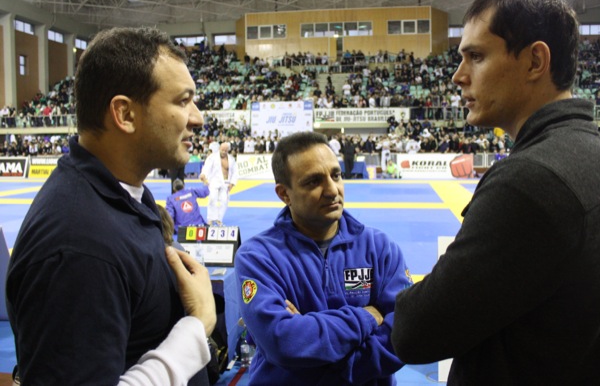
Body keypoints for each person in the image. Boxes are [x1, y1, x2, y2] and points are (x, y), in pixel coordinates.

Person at [391, 0, 600, 384]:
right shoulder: (597, 156)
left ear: (535, 60)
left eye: (477, 56)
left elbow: (414, 333)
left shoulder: (530, 181)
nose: (458, 76)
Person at [6, 27, 216, 385]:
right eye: (183, 101)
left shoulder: (121, 194)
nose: (197, 117)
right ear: (125, 114)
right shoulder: (78, 245)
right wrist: (196, 327)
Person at [234, 131, 412, 385]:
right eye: (313, 181)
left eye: (336, 175)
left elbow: (404, 333)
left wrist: (340, 367)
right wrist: (367, 317)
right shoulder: (258, 257)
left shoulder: (380, 248)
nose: (332, 190)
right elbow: (283, 342)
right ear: (284, 194)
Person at [200, 141, 238, 226]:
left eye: (225, 150)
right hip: (214, 181)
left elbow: (235, 172)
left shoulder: (231, 159)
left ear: (228, 150)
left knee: (224, 201)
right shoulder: (212, 157)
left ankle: (219, 219)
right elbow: (207, 167)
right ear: (219, 148)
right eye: (222, 150)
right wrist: (203, 175)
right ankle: (210, 219)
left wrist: (232, 183)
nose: (223, 152)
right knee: (212, 199)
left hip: (226, 182)